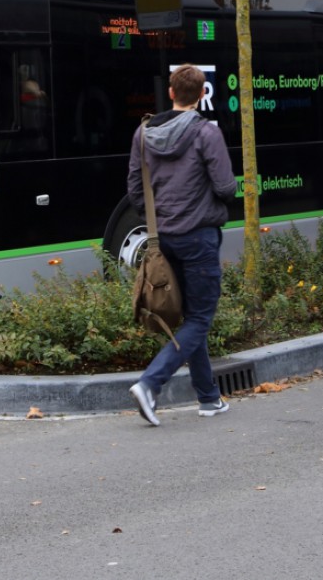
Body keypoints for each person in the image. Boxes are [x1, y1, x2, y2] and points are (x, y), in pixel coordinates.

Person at [126, 64, 238, 426]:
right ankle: (150, 383)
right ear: (202, 94)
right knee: (201, 318)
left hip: (163, 239)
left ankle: (209, 398)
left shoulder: (143, 134)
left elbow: (134, 191)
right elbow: (226, 187)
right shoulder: (206, 133)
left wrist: (162, 215)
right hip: (200, 237)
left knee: (192, 320)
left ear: (171, 93)